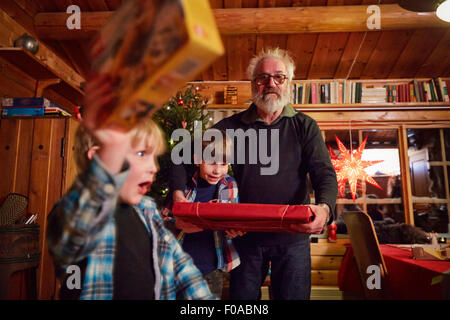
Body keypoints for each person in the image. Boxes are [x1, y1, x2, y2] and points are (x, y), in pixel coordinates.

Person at [170, 48, 338, 300]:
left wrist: (324, 209)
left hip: (292, 240)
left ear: (288, 83)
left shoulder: (305, 126)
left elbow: (323, 173)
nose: (270, 83)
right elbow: (180, 158)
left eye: (278, 77)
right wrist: (178, 201)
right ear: (253, 85)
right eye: (262, 78)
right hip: (244, 241)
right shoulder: (230, 127)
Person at [46, 75, 214, 300]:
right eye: (142, 154)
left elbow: (181, 267)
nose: (153, 167)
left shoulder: (146, 210)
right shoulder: (76, 213)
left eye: (154, 157)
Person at [164, 131, 242, 299]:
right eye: (211, 162)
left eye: (223, 164)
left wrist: (235, 230)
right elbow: (164, 221)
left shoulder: (230, 185)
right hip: (177, 269)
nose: (217, 170)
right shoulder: (183, 187)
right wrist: (177, 224)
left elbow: (236, 220)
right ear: (197, 159)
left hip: (212, 270)